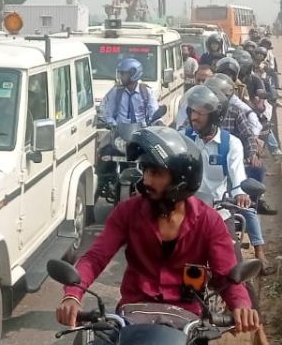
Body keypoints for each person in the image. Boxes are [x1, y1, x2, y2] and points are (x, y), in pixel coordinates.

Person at [55, 127, 259, 333]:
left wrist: (241, 306)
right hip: (133, 316)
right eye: (145, 171)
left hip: (187, 321)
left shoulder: (209, 221)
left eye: (156, 174)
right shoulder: (127, 211)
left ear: (181, 180)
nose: (146, 181)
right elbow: (95, 258)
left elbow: (226, 275)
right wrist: (73, 294)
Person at [180, 86, 272, 269]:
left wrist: (241, 193)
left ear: (215, 116)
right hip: (184, 212)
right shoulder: (183, 138)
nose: (193, 117)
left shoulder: (230, 144)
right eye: (192, 112)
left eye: (200, 113)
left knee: (233, 267)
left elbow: (237, 174)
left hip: (218, 213)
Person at [100, 58, 159, 126]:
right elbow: (106, 112)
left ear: (133, 74)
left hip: (142, 131)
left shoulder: (147, 92)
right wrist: (113, 124)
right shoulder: (115, 92)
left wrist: (158, 122)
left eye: (123, 74)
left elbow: (154, 112)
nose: (121, 77)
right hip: (120, 132)